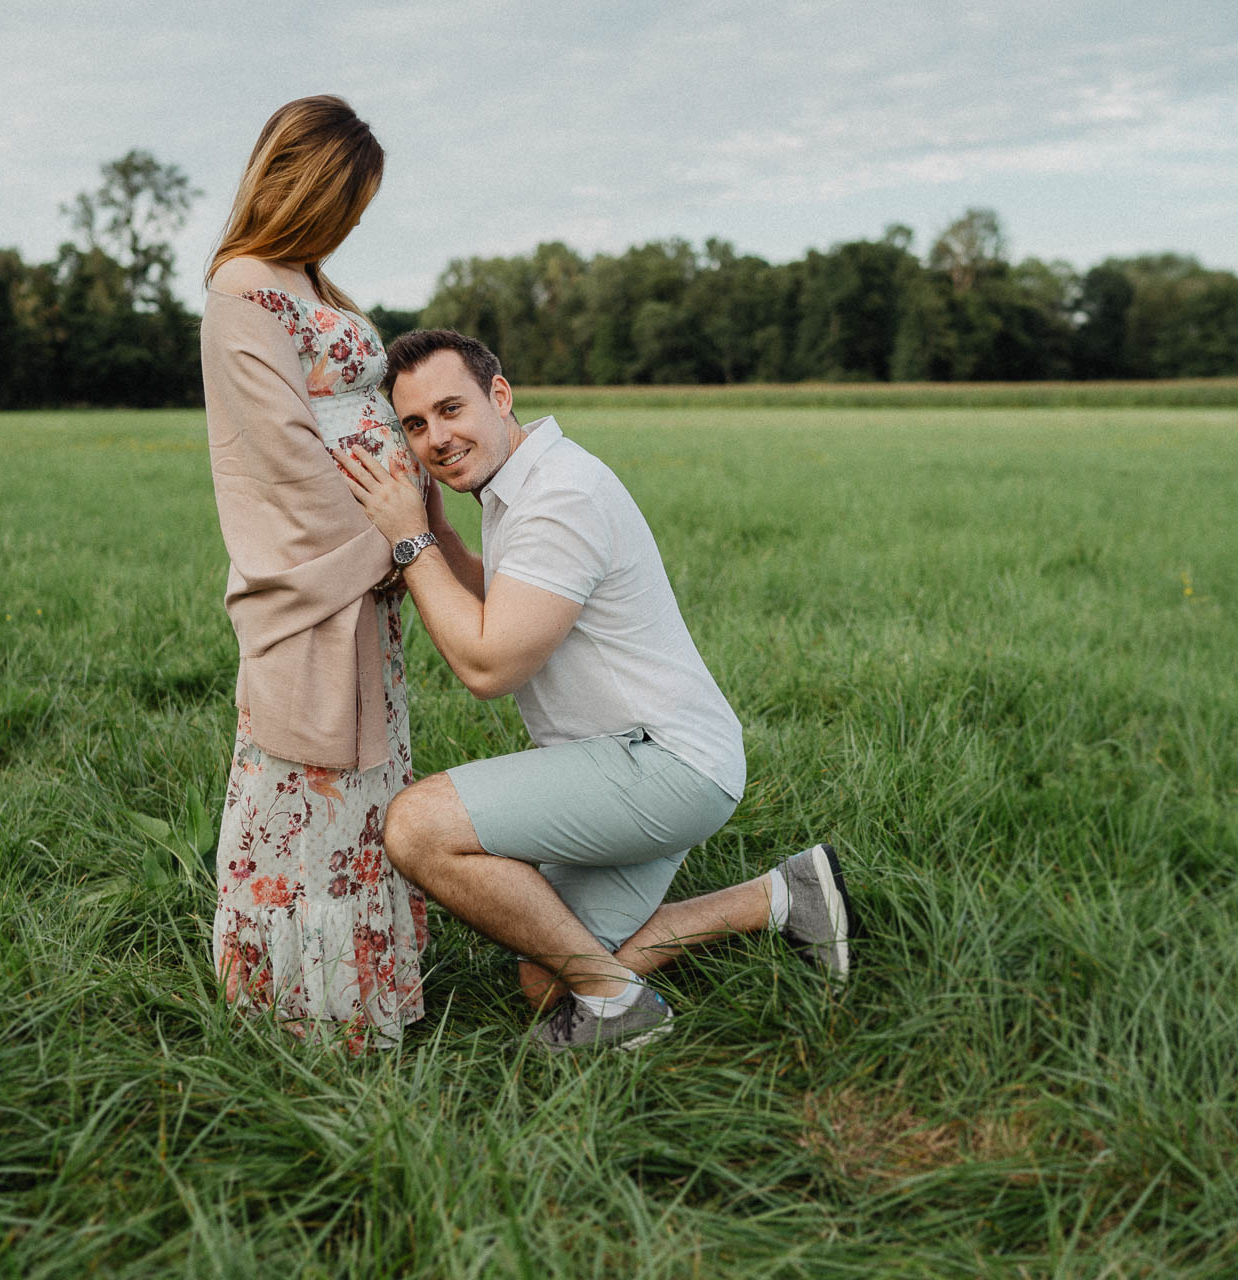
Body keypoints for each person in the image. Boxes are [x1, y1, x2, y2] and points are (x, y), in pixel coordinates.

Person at [337, 330, 854, 1053]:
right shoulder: (520, 477)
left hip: (662, 765)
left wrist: (409, 541)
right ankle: (779, 896)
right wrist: (437, 532)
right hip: (655, 761)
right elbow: (506, 596)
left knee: (418, 826)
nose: (436, 437)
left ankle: (619, 1007)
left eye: (451, 409)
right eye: (415, 425)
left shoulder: (560, 495)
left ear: (501, 395)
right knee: (547, 981)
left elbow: (488, 667)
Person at [198, 96, 425, 1052]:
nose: (356, 222)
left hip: (371, 579)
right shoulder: (242, 289)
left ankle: (367, 989)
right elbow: (282, 455)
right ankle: (304, 1009)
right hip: (327, 572)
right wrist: (389, 540)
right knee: (307, 779)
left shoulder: (314, 285)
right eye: (349, 201)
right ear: (306, 187)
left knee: (367, 783)